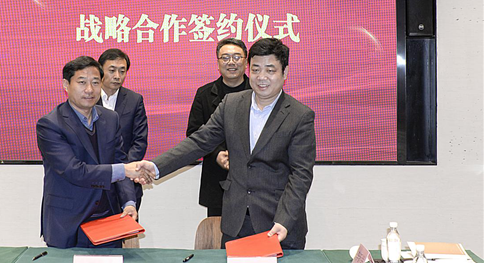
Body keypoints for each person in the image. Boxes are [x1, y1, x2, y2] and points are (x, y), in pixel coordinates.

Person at [135, 38, 316, 249]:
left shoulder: (300, 115)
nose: (262, 77)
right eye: (256, 69)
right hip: (235, 224)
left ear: (285, 73)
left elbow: (300, 175)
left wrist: (284, 220)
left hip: (278, 224)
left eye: (270, 70)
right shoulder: (232, 104)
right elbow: (199, 141)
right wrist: (156, 166)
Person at [36, 56, 142, 249]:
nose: (89, 90)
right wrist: (124, 170)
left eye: (95, 82)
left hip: (108, 221)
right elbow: (74, 171)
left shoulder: (111, 119)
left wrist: (128, 202)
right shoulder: (50, 125)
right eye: (82, 82)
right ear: (66, 85)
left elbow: (120, 161)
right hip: (69, 222)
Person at [186, 38, 251, 217]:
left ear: (246, 62)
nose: (231, 62)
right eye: (225, 57)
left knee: (255, 231)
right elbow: (194, 133)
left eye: (237, 57)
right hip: (217, 177)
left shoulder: (258, 92)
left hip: (253, 178)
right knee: (217, 231)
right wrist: (217, 154)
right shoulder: (205, 94)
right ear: (218, 63)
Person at [97, 49, 148, 211]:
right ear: (100, 70)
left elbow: (139, 141)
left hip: (127, 181)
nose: (117, 76)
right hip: (95, 179)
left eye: (122, 71)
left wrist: (125, 169)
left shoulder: (134, 100)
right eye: (112, 70)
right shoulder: (88, 98)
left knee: (127, 224)